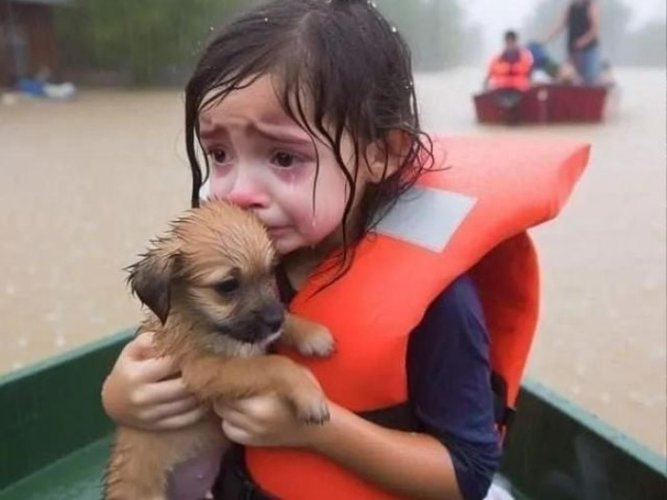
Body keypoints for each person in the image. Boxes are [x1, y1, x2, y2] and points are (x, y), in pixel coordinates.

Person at [101, 1, 586, 499]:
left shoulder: (441, 304)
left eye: (283, 156)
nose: (239, 189)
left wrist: (319, 429)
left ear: (382, 153)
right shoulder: (234, 257)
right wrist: (121, 397)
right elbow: (179, 356)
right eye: (219, 154)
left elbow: (467, 474)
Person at [543, 0, 601, 85]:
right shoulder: (571, 6)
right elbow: (561, 25)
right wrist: (546, 39)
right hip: (573, 49)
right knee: (567, 77)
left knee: (589, 79)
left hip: (589, 49)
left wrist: (584, 41)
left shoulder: (591, 5)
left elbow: (595, 29)